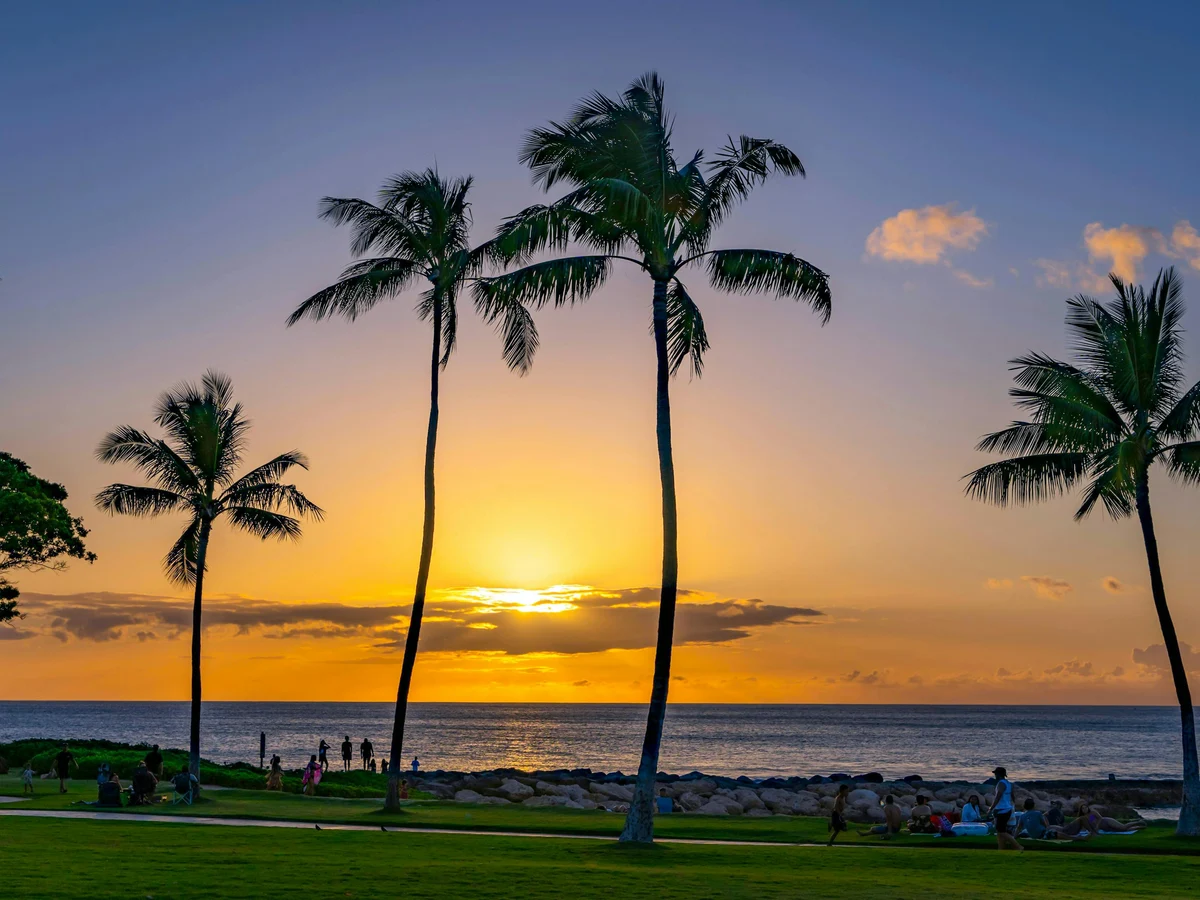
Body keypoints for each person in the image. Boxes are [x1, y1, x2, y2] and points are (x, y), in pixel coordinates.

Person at [990, 766, 1022, 851]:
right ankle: (1001, 849)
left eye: (995, 774)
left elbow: (998, 797)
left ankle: (1018, 846)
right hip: (1007, 809)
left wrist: (991, 808)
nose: (995, 775)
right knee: (1000, 831)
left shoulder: (1000, 783)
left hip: (1001, 810)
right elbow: (1012, 796)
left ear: (998, 774)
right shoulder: (1008, 783)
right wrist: (1013, 805)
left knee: (1001, 832)